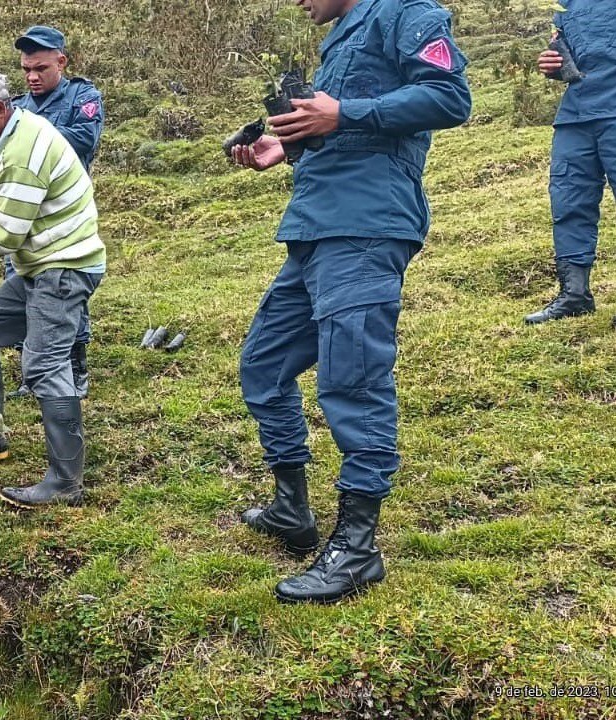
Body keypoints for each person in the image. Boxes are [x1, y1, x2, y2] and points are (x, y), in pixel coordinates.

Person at [230, 0, 470, 603]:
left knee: (353, 384)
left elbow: (449, 99)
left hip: (366, 227)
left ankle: (356, 548)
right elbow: (341, 130)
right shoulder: (340, 37)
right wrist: (288, 147)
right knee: (263, 365)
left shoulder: (407, 13)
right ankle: (292, 509)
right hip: (314, 226)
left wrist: (344, 113)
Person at [0, 69, 106, 508]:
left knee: (45, 364)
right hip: (39, 267)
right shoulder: (6, 139)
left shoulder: (25, 149)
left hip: (63, 268)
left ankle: (66, 482)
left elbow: (3, 238)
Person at [5, 25, 104, 399]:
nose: (32, 76)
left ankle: (75, 369)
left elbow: (84, 139)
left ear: (61, 62)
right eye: (27, 69)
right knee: (20, 286)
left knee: (64, 289)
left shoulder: (83, 95)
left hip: (64, 218)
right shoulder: (18, 104)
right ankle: (30, 373)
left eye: (41, 68)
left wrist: (26, 134)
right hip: (22, 215)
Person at [524, 1, 616, 325]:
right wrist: (553, 64)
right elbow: (566, 52)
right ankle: (575, 294)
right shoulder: (564, 5)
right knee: (568, 199)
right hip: (576, 114)